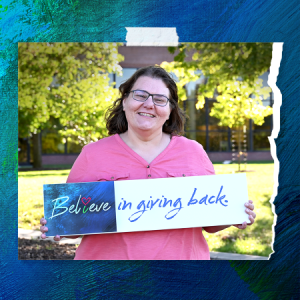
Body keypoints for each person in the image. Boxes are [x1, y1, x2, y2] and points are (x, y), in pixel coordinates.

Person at [40, 66, 256, 260]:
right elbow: (71, 224)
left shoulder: (193, 152)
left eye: (160, 99)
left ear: (170, 110)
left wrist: (235, 214)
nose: (149, 104)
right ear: (125, 101)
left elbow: (211, 222)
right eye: (140, 95)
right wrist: (56, 224)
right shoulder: (92, 154)